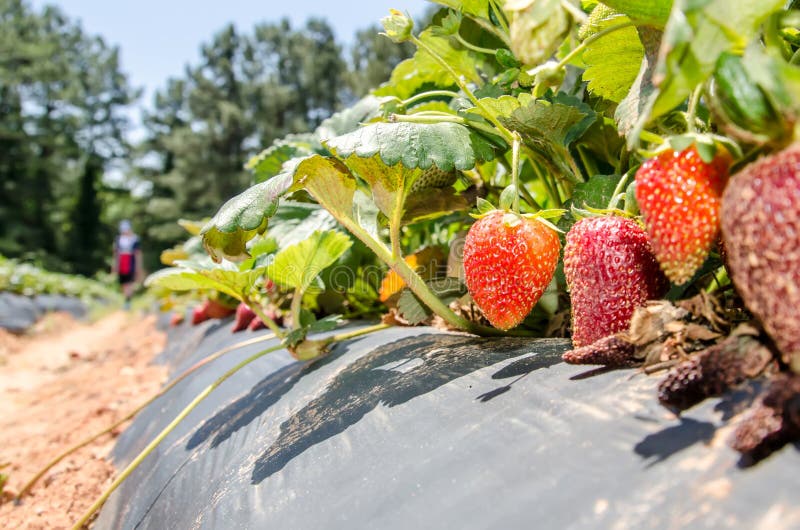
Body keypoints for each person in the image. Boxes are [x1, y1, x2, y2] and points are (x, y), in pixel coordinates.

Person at [112, 220, 142, 309]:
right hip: (122, 264)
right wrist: (115, 266)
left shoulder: (135, 239)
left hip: (130, 263)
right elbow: (116, 254)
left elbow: (138, 254)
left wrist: (138, 267)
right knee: (124, 284)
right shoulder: (118, 239)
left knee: (130, 283)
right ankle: (126, 299)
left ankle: (128, 301)